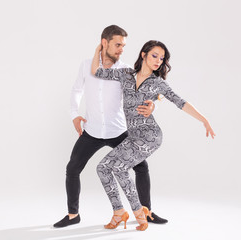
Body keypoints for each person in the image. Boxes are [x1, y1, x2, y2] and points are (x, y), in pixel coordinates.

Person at [91, 40, 216, 231]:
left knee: (119, 168)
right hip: (132, 135)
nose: (158, 61)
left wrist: (204, 119)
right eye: (154, 56)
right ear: (144, 55)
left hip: (150, 135)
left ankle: (139, 213)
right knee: (103, 168)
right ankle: (119, 212)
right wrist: (98, 50)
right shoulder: (125, 75)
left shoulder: (158, 83)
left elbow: (180, 102)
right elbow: (97, 72)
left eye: (162, 58)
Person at [53, 25, 168, 228]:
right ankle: (73, 215)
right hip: (92, 131)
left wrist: (154, 106)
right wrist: (74, 115)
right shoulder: (86, 65)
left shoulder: (126, 71)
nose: (121, 49)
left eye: (123, 45)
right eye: (117, 44)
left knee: (141, 167)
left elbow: (153, 93)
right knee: (72, 169)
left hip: (118, 131)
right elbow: (76, 90)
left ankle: (146, 211)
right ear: (104, 43)